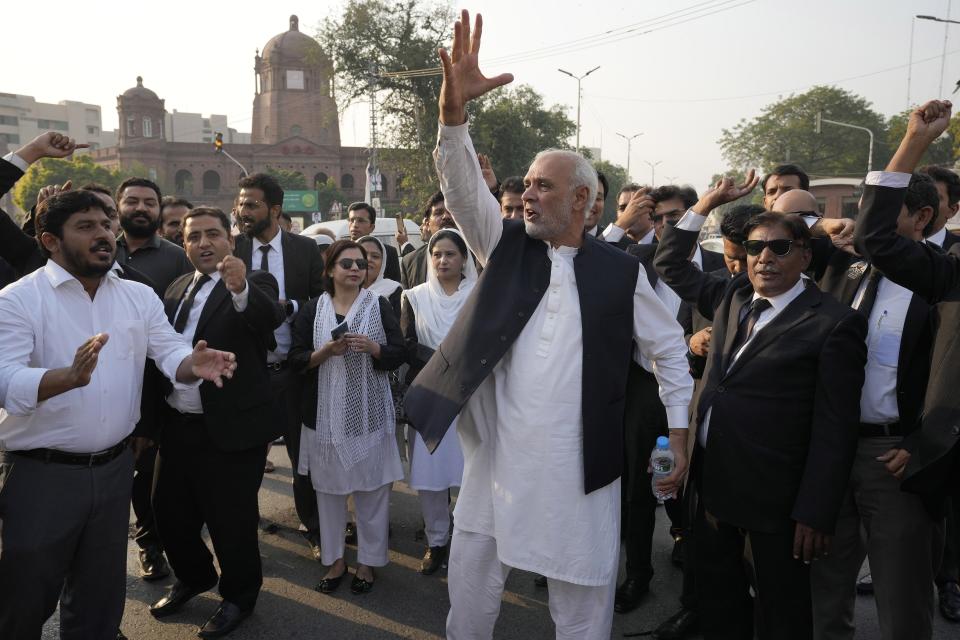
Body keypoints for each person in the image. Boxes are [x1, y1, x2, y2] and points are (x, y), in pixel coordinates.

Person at [405, 12, 693, 638]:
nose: (527, 195)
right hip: (497, 466)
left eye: (543, 186)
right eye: (526, 184)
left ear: (584, 202)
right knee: (472, 600)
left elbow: (670, 349)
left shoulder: (620, 273)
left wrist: (680, 433)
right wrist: (452, 116)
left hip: (578, 471)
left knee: (582, 606)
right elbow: (459, 190)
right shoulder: (503, 245)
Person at [0, 190, 237, 640]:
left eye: (107, 224)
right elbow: (5, 380)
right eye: (86, 227)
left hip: (113, 471)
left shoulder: (137, 295)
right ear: (51, 241)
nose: (104, 234)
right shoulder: (17, 299)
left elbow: (170, 350)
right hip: (40, 476)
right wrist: (65, 378)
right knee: (24, 601)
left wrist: (193, 365)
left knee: (98, 600)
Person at [654, 181, 867, 639]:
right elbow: (670, 262)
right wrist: (706, 204)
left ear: (806, 256)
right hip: (712, 490)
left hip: (777, 504)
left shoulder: (834, 323)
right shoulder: (733, 297)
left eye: (779, 247)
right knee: (719, 607)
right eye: (754, 247)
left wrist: (815, 511)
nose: (764, 258)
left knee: (782, 615)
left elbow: (835, 428)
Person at [794, 173, 941, 638]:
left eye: (881, 213)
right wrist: (820, 230)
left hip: (897, 460)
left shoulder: (943, 282)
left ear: (921, 218)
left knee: (901, 598)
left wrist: (924, 443)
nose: (864, 224)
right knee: (823, 586)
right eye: (862, 211)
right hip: (832, 453)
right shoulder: (845, 268)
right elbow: (776, 234)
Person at [149, 207, 283, 638]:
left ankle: (239, 597)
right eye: (193, 237)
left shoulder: (254, 282)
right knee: (167, 512)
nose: (203, 243)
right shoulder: (174, 287)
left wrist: (240, 287)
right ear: (183, 244)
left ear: (230, 240)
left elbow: (268, 323)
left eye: (213, 235)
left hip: (231, 429)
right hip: (177, 425)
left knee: (231, 523)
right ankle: (195, 577)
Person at [854, 98, 960, 620]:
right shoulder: (948, 270)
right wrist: (915, 141)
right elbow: (875, 237)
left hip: (906, 464)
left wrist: (926, 443)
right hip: (847, 452)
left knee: (904, 609)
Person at [289, 240, 406, 595]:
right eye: (346, 263)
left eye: (361, 263)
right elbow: (296, 359)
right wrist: (325, 352)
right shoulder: (312, 310)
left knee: (371, 493)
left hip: (369, 415)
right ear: (330, 270)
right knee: (329, 495)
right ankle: (336, 560)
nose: (355, 269)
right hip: (324, 418)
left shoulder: (378, 304)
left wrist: (375, 348)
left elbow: (399, 350)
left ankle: (367, 563)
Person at [232, 172, 326, 559]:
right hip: (247, 371)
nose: (243, 211)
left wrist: (291, 307)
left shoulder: (304, 249)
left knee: (303, 453)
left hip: (295, 370)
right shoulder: (232, 249)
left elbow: (322, 299)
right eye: (240, 203)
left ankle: (316, 526)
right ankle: (242, 530)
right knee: (245, 459)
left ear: (274, 209)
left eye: (251, 204)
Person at [401, 228, 478, 575]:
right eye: (437, 254)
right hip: (430, 395)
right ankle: (436, 541)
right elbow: (406, 343)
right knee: (431, 478)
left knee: (472, 473)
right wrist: (438, 362)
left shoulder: (478, 294)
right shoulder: (415, 297)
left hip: (471, 396)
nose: (443, 260)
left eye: (450, 254)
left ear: (464, 259)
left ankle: (468, 541)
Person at [114, 177, 193, 296]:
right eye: (132, 202)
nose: (141, 208)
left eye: (150, 203)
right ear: (117, 208)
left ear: (159, 211)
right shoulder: (104, 253)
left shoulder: (179, 258)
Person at [401, 191, 458, 289]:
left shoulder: (479, 256)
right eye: (438, 213)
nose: (446, 217)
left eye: (451, 211)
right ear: (427, 223)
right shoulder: (410, 262)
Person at [346, 202, 402, 282]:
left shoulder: (388, 252)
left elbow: (393, 286)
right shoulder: (340, 251)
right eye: (351, 220)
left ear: (372, 227)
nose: (355, 225)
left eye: (361, 221)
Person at [358, 235, 403, 318]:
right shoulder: (344, 290)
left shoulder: (393, 290)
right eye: (363, 254)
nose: (368, 259)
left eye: (375, 256)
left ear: (383, 262)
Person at [602, 183, 654, 248]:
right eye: (623, 208)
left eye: (636, 207)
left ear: (652, 211)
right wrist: (621, 224)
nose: (629, 212)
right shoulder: (611, 243)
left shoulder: (664, 244)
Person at [922, 165, 960, 250]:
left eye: (933, 197)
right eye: (919, 194)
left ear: (952, 211)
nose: (922, 202)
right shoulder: (891, 246)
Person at [584, 172, 608, 236]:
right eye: (584, 196)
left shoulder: (623, 245)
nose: (591, 203)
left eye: (597, 198)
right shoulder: (555, 239)